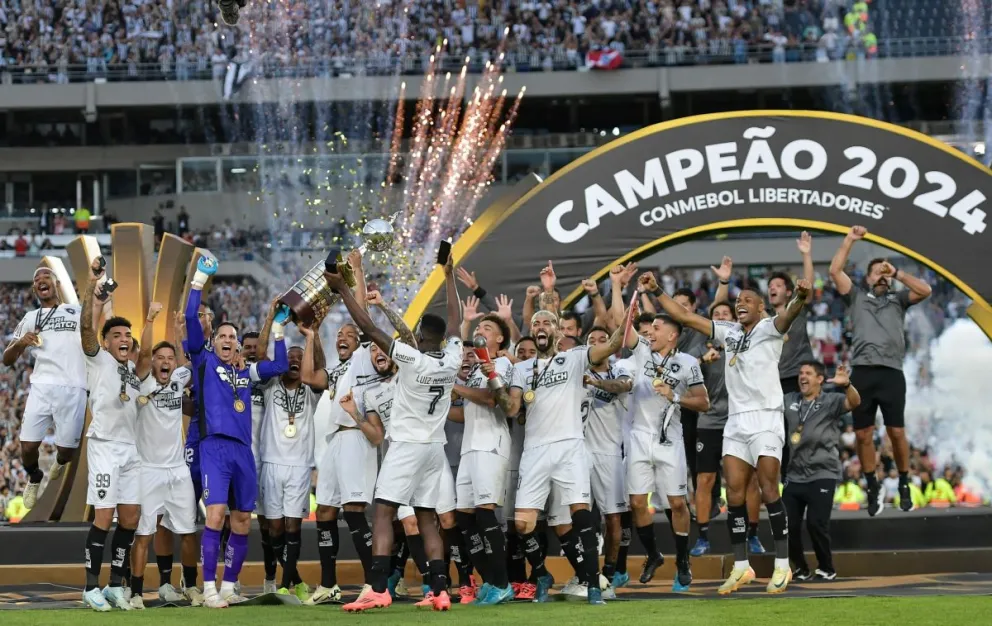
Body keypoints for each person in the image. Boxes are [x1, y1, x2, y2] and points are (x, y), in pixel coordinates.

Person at [655, 272, 811, 595]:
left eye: (747, 301)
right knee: (734, 493)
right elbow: (684, 316)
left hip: (767, 417)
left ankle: (783, 565)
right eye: (738, 301)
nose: (740, 304)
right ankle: (742, 567)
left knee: (769, 489)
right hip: (736, 421)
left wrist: (800, 296)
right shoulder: (727, 332)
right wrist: (656, 290)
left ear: (761, 307)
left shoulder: (770, 328)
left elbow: (791, 312)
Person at [326, 251, 461, 613]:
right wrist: (449, 276)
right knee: (427, 517)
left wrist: (342, 290)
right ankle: (439, 590)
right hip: (435, 449)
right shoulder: (452, 360)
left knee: (384, 513)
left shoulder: (412, 360)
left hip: (406, 446)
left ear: (418, 337)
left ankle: (378, 587)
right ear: (442, 339)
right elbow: (456, 322)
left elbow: (369, 330)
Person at [495, 305, 632, 605]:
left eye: (547, 321)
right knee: (522, 524)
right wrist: (494, 381)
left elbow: (609, 346)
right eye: (536, 322)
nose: (541, 325)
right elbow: (512, 408)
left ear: (558, 330)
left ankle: (593, 584)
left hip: (570, 445)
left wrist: (624, 321)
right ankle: (542, 573)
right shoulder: (520, 369)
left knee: (581, 514)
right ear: (532, 330)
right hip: (534, 450)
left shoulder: (573, 358)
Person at [184, 257, 289, 608]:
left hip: (244, 450)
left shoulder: (246, 372)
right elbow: (188, 319)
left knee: (242, 520)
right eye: (223, 336)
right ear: (213, 342)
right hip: (213, 448)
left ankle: (230, 585)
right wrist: (199, 280)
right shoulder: (204, 361)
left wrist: (278, 331)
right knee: (215, 516)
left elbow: (280, 366)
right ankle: (209, 588)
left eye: (233, 336)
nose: (229, 340)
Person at [829, 225, 931, 515]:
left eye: (885, 274)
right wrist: (849, 239)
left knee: (896, 432)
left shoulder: (898, 300)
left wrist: (897, 272)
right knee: (863, 434)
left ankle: (902, 481)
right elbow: (836, 271)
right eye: (877, 273)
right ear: (867, 278)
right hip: (862, 372)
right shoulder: (858, 297)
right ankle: (872, 483)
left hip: (891, 372)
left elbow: (926, 290)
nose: (882, 277)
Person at [624, 310, 709, 591]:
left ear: (672, 335)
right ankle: (653, 554)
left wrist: (675, 396)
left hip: (669, 440)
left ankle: (682, 560)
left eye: (657, 328)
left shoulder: (687, 363)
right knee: (637, 502)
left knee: (676, 504)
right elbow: (623, 327)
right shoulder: (641, 353)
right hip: (638, 437)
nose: (650, 332)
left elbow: (703, 402)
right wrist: (618, 291)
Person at [78, 257, 144, 611]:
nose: (123, 338)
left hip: (130, 449)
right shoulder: (97, 358)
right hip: (104, 446)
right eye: (115, 334)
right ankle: (90, 586)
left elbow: (146, 355)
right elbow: (87, 330)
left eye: (126, 335)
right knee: (103, 517)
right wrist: (94, 289)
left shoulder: (131, 369)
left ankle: (115, 585)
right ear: (105, 342)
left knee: (130, 518)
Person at [3, 267, 87, 510]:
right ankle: (34, 476)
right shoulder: (31, 317)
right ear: (34, 289)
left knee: (67, 452)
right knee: (27, 447)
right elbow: (7, 359)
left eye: (45, 277)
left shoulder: (77, 312)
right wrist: (20, 343)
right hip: (41, 387)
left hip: (74, 387)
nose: (41, 281)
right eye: (36, 280)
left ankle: (59, 462)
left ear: (56, 283)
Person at [129, 315, 196, 610]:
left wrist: (182, 333)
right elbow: (142, 354)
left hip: (178, 470)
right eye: (161, 358)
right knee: (144, 533)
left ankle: (187, 586)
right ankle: (135, 592)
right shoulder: (142, 382)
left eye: (170, 358)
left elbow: (187, 366)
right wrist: (150, 321)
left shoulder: (178, 379)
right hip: (148, 470)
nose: (166, 362)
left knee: (187, 530)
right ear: (153, 363)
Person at [691, 302, 765, 558]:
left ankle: (753, 534)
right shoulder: (698, 351)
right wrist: (702, 361)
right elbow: (681, 377)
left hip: (740, 420)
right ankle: (702, 536)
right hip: (709, 422)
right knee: (705, 479)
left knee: (749, 479)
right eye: (716, 315)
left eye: (726, 315)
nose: (721, 318)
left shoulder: (747, 345)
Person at [451, 313, 514, 605]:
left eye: (487, 327)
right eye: (478, 327)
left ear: (500, 338)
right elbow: (468, 412)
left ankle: (502, 583)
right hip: (469, 447)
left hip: (491, 445)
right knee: (464, 518)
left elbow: (491, 399)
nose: (480, 330)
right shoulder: (475, 368)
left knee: (486, 513)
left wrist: (456, 387)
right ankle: (490, 580)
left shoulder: (500, 364)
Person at [783, 362, 861, 582]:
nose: (802, 377)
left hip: (822, 472)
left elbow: (854, 402)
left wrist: (847, 385)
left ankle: (826, 567)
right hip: (794, 473)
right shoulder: (790, 400)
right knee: (787, 524)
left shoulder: (831, 400)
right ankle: (800, 567)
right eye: (800, 373)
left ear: (820, 379)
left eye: (808, 373)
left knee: (816, 522)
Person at [257, 339, 321, 601]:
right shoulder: (271, 386)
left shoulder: (311, 391)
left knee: (293, 526)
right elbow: (261, 357)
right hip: (271, 463)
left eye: (300, 357)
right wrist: (276, 329)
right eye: (290, 357)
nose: (294, 361)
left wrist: (312, 335)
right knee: (274, 529)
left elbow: (319, 365)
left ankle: (284, 586)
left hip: (299, 466)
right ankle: (295, 580)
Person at [581, 327, 633, 594]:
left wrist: (595, 383)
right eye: (592, 341)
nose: (598, 344)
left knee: (613, 518)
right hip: (578, 453)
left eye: (603, 340)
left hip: (609, 454)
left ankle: (609, 575)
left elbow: (623, 387)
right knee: (577, 517)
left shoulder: (620, 372)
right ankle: (586, 575)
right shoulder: (577, 372)